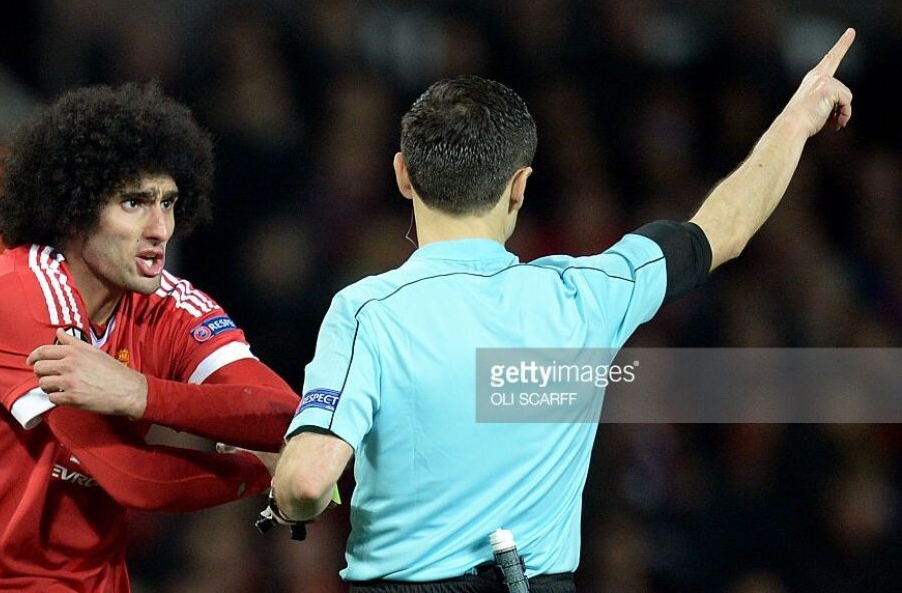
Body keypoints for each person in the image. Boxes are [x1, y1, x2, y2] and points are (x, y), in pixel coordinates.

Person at [270, 29, 856, 592]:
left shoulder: (366, 312)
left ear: (403, 174)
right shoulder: (586, 295)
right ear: (520, 186)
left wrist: (285, 500)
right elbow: (721, 230)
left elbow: (306, 483)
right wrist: (797, 120)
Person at [0, 83, 299, 592]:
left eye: (168, 203)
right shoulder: (16, 295)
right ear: (75, 210)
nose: (160, 228)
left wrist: (141, 394)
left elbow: (283, 413)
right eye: (134, 203)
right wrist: (264, 471)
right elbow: (131, 475)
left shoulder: (171, 307)